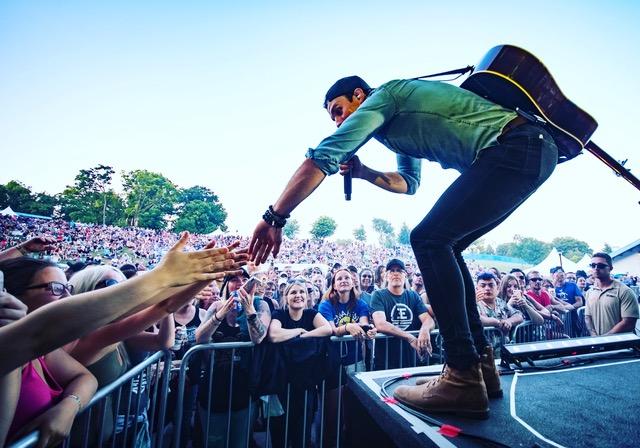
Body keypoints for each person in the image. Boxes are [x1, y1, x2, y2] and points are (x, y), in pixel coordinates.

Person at [249, 74, 560, 418]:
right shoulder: (393, 132)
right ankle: (481, 369)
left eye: (338, 110)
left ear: (359, 96)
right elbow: (409, 183)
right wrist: (364, 172)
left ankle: (461, 373)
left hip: (514, 145)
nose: (338, 121)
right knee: (448, 244)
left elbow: (323, 156)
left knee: (429, 239)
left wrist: (275, 217)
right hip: (529, 152)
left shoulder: (384, 97)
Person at [0, 233, 248, 376]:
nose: (66, 296)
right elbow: (40, 330)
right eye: (56, 288)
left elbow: (164, 307)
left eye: (67, 288)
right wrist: (163, 276)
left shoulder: (54, 352)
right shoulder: (39, 344)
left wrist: (205, 275)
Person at [268, 281, 332, 448]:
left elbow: (327, 329)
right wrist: (298, 331)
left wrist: (303, 336)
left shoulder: (311, 314)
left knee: (303, 426)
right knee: (280, 427)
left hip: (305, 381)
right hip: (282, 382)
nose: (298, 295)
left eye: (302, 292)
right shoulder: (279, 314)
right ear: (286, 297)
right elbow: (274, 334)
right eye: (293, 292)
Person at [370, 259, 434, 370]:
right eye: (392, 271)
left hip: (411, 358)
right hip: (386, 359)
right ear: (386, 276)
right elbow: (381, 324)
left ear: (405, 275)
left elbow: (428, 319)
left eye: (399, 270)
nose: (396, 273)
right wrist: (410, 338)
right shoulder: (378, 295)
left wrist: (425, 330)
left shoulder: (413, 296)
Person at [584, 253, 639, 335]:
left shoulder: (625, 291)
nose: (596, 268)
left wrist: (606, 338)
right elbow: (588, 317)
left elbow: (629, 322)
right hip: (599, 340)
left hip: (621, 341)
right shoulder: (590, 292)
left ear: (610, 268)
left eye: (601, 266)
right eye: (593, 265)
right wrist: (594, 335)